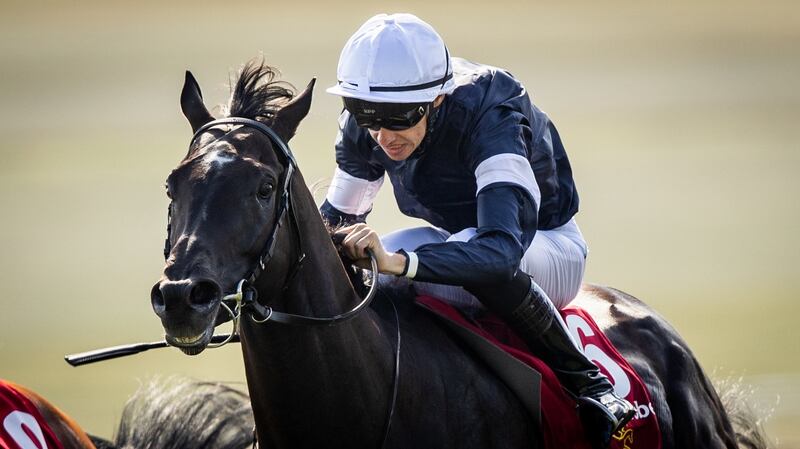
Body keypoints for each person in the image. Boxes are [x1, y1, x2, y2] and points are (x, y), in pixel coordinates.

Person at [321, 13, 634, 447]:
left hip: (544, 247)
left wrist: (398, 263)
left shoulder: (491, 110)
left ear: (436, 100)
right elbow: (334, 226)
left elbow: (500, 250)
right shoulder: (370, 127)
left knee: (417, 257)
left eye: (398, 117)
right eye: (365, 115)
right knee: (374, 266)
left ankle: (589, 384)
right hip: (460, 243)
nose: (382, 136)